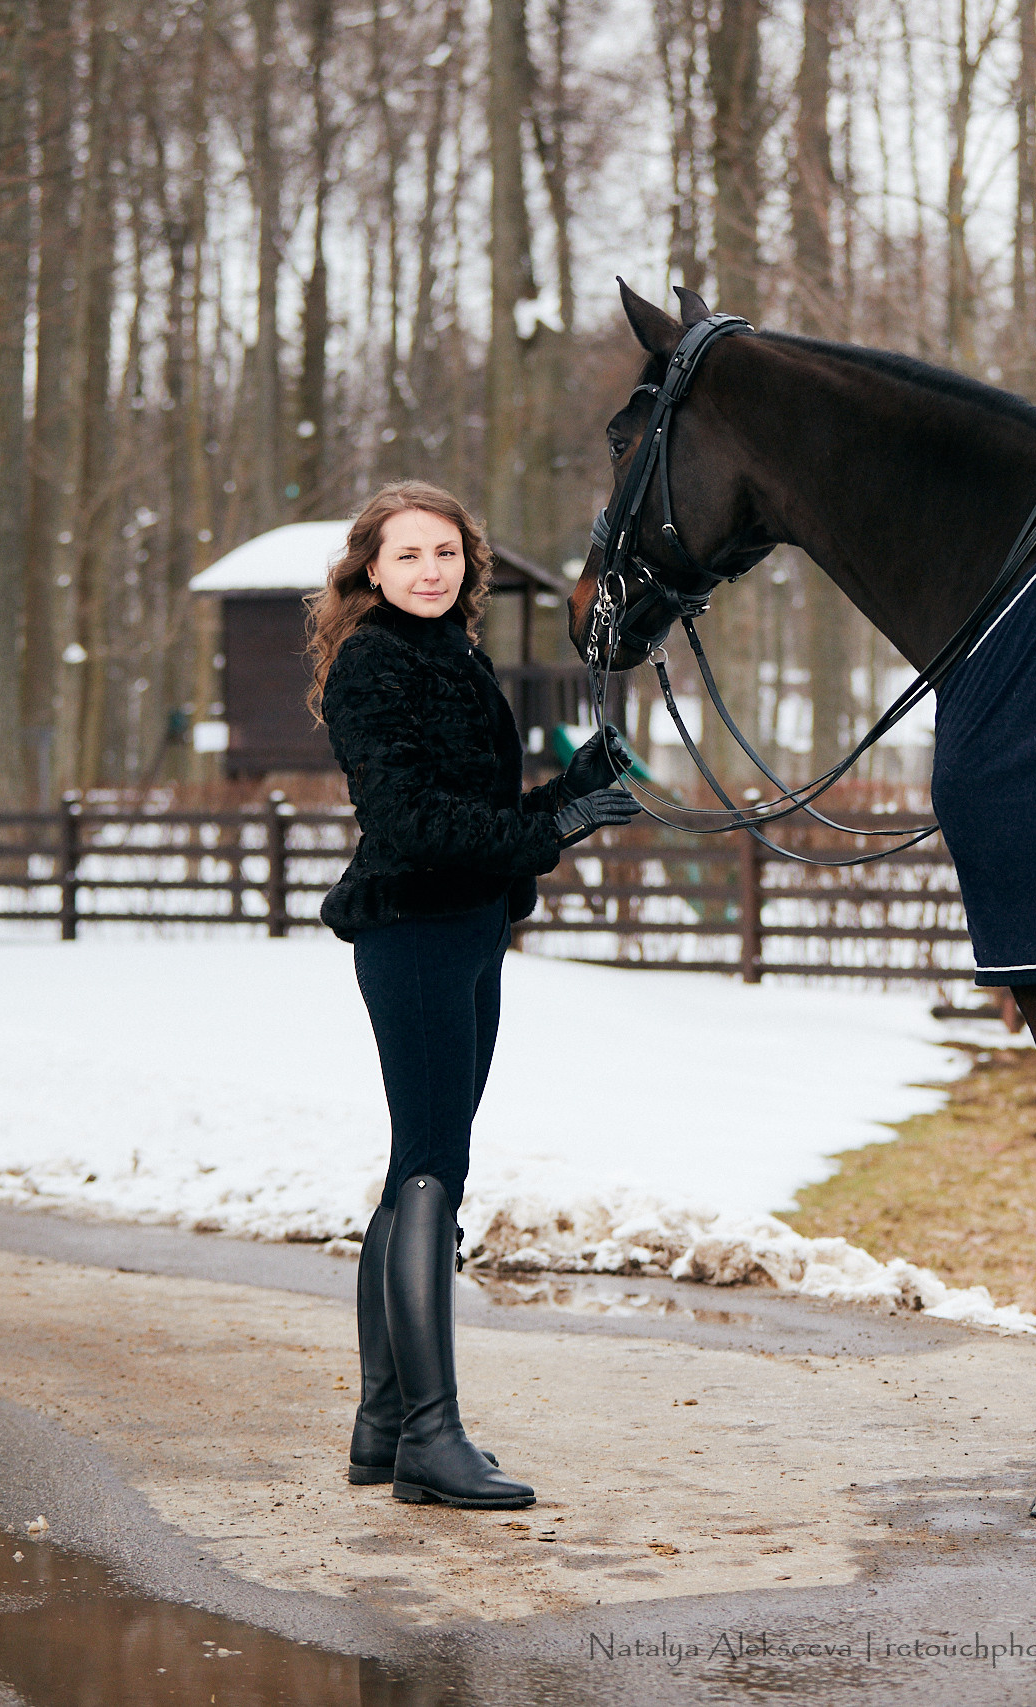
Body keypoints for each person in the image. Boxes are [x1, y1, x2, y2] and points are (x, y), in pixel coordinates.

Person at [305, 481, 638, 1509]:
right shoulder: (370, 665)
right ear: (369, 569)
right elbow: (414, 826)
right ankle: (429, 1440)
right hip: (412, 934)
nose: (429, 571)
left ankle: (380, 1427)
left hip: (470, 932)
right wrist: (556, 830)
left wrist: (572, 789)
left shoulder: (454, 656)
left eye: (445, 553)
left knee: (419, 1165)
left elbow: (481, 813)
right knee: (431, 1177)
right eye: (407, 555)